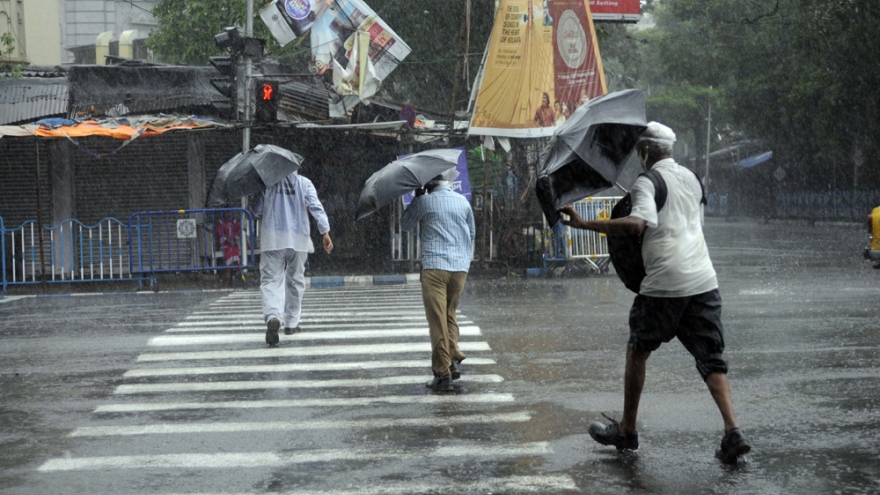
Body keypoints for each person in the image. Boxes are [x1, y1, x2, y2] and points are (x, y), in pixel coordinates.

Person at [558, 122, 751, 465]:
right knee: (711, 359)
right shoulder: (692, 177)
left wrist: (586, 224)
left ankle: (627, 430)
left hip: (664, 283)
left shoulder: (647, 182)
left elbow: (637, 223)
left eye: (639, 151)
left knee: (638, 350)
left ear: (645, 151)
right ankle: (732, 429)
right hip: (703, 280)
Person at [400, 174, 475, 392]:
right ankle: (452, 358)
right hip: (460, 268)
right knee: (449, 314)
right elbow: (471, 233)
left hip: (435, 267)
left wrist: (417, 198)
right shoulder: (462, 201)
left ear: (428, 185)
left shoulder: (424, 201)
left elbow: (405, 225)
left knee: (437, 320)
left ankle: (443, 374)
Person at [253, 168, 333, 346]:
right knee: (296, 279)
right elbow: (315, 206)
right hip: (298, 238)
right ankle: (291, 323)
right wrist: (325, 231)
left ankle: (273, 316)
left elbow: (257, 209)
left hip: (273, 238)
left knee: (271, 280)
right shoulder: (305, 183)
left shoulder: (268, 183)